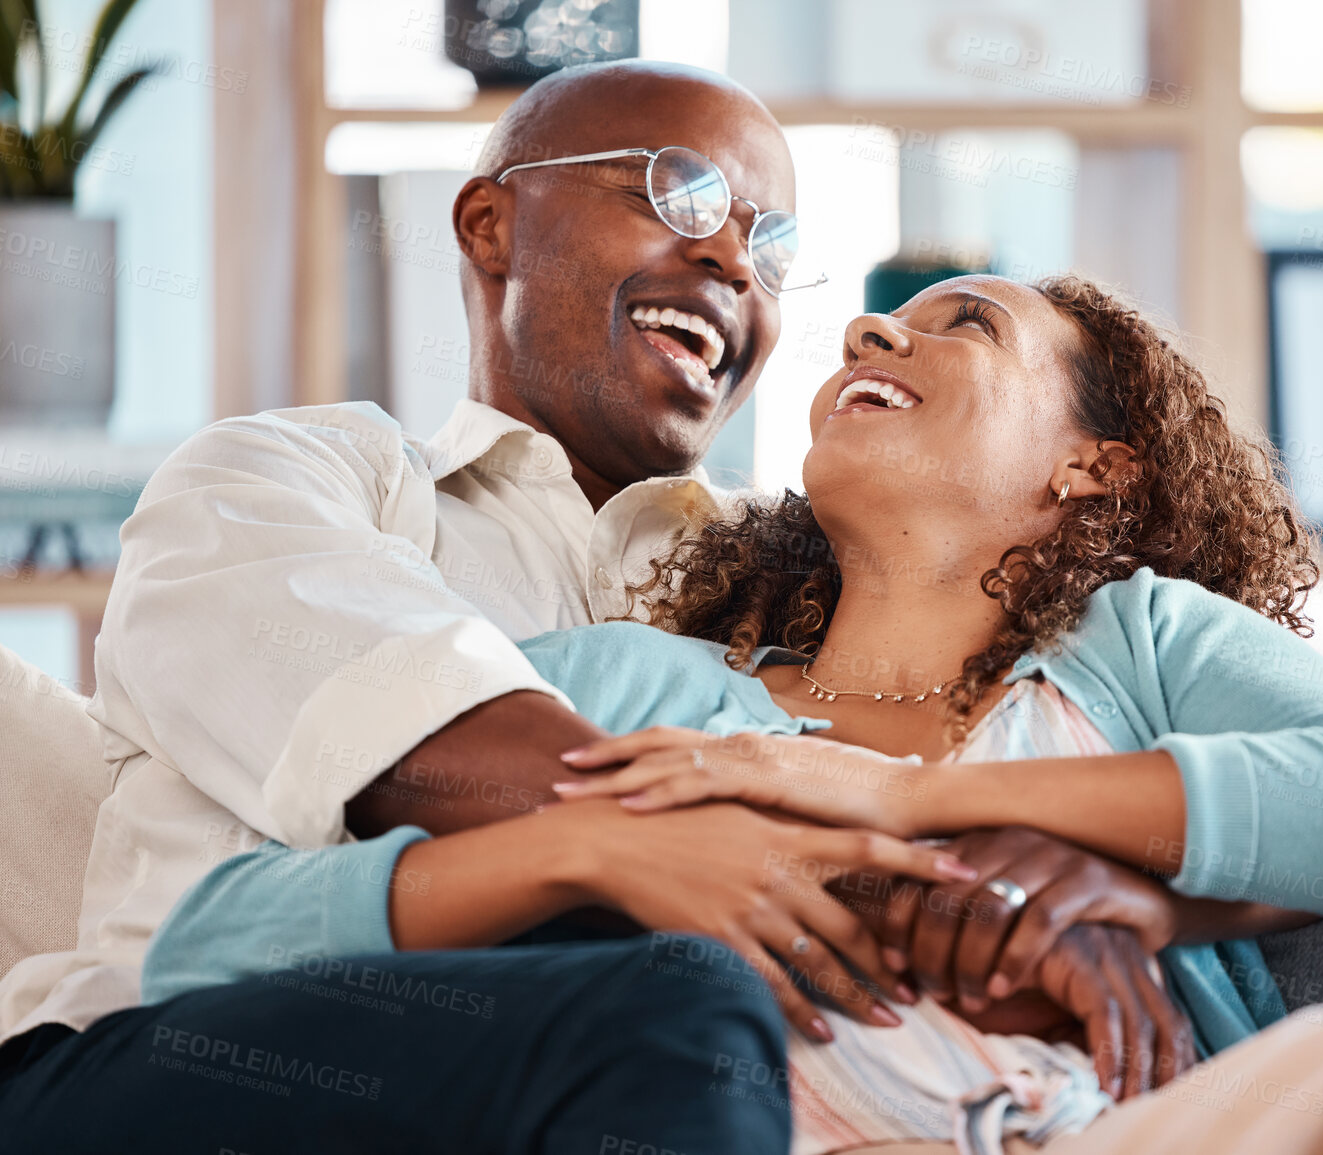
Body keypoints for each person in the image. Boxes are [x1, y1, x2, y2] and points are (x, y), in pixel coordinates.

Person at [133, 275, 1323, 1155]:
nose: (866, 324)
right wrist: (583, 855)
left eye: (961, 324)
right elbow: (211, 938)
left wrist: (911, 806)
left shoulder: (1138, 643)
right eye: (885, 313)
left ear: (1090, 467)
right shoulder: (636, 688)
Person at [0, 59, 885, 1153]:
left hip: (604, 1078)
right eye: (680, 192)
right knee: (674, 1005)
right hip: (164, 1063)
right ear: (489, 226)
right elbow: (439, 751)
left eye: (772, 243)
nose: (732, 258)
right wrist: (866, 876)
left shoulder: (796, 582)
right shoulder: (295, 475)